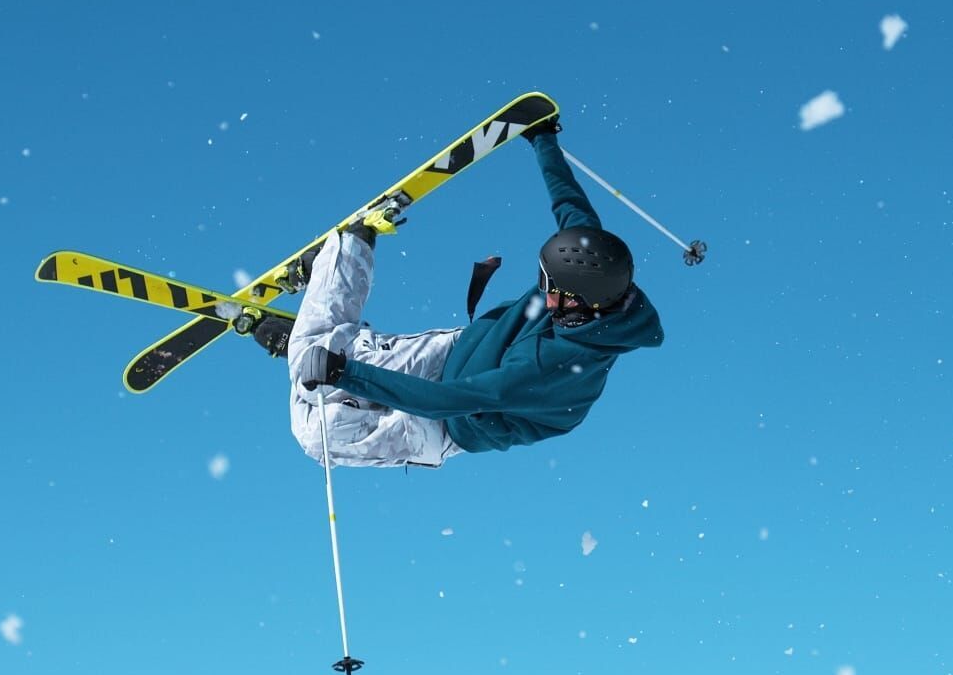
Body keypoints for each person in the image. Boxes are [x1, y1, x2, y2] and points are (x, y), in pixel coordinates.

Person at [249, 118, 664, 467]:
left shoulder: (552, 370)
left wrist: (345, 373)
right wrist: (542, 138)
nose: (545, 296)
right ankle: (349, 250)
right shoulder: (590, 262)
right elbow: (569, 203)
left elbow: (446, 400)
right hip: (453, 351)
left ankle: (317, 342)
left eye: (555, 292)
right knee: (313, 359)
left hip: (447, 423)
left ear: (587, 304)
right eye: (544, 280)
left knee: (316, 435)